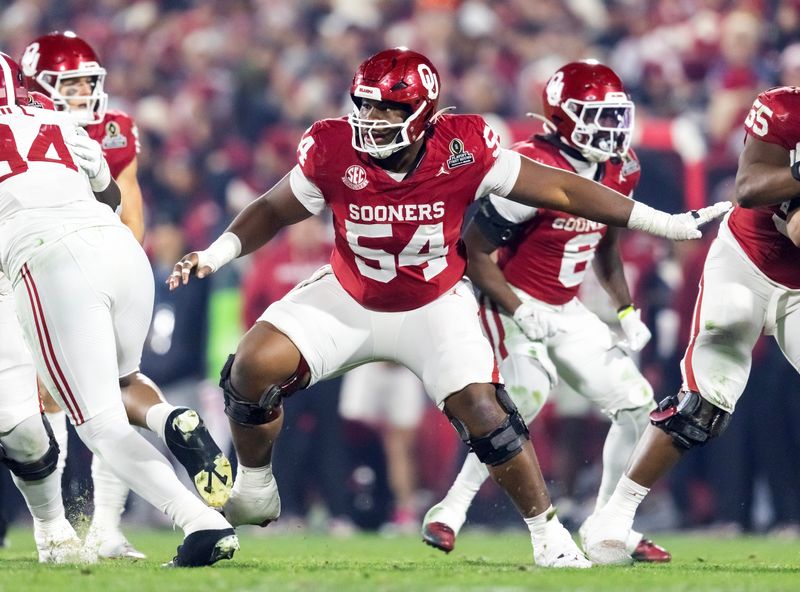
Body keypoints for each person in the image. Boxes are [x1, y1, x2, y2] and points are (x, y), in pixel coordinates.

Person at [169, 47, 728, 568]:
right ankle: (255, 485)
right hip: (349, 293)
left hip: (433, 302)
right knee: (250, 368)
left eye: (389, 109)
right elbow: (272, 209)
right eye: (366, 105)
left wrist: (660, 221)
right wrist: (217, 253)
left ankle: (548, 534)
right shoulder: (332, 146)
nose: (372, 119)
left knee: (488, 413)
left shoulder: (464, 147)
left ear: (422, 114)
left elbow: (561, 190)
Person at [420, 61, 669, 562]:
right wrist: (519, 309)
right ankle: (452, 507)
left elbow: (606, 244)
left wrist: (625, 311)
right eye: (596, 116)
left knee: (637, 403)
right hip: (506, 296)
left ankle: (608, 525)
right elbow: (473, 253)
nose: (611, 129)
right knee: (529, 391)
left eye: (614, 116)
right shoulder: (531, 164)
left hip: (565, 306)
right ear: (564, 116)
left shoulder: (624, 166)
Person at [0, 51, 237, 567]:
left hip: (50, 259)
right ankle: (167, 417)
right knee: (123, 381)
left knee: (96, 423)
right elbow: (108, 193)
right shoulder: (53, 115)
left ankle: (200, 522)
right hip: (121, 251)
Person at [583, 85, 800, 565]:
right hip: (746, 263)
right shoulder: (785, 108)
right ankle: (615, 516)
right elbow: (750, 188)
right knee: (702, 405)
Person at [340, 362, 428, 534]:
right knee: (353, 436)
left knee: (401, 445)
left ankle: (405, 511)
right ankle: (343, 509)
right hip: (368, 362)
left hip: (403, 366)